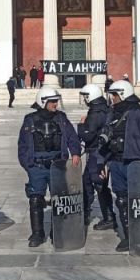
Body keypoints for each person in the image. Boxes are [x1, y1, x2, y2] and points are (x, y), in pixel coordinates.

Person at [100, 79, 140, 252]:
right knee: (121, 200)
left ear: (123, 94)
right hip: (116, 162)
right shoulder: (111, 114)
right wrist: (101, 163)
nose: (112, 98)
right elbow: (105, 139)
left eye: (114, 95)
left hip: (134, 163)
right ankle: (127, 237)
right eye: (111, 95)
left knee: (137, 200)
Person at [17, 87, 81, 247]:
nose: (55, 104)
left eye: (56, 101)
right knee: (35, 200)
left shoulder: (61, 118)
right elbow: (22, 145)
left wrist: (75, 153)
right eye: (52, 101)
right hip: (37, 166)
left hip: (57, 165)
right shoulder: (29, 119)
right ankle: (37, 234)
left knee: (59, 199)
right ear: (43, 102)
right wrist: (28, 165)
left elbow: (72, 137)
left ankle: (57, 231)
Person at [77, 83, 115, 231]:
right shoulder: (104, 109)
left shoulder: (95, 112)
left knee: (99, 184)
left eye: (86, 96)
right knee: (86, 181)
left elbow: (88, 135)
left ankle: (109, 217)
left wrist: (81, 126)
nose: (85, 99)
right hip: (101, 151)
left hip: (96, 152)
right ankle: (86, 212)